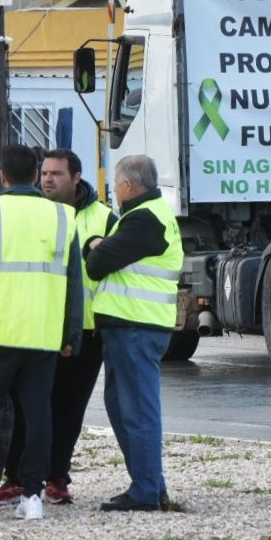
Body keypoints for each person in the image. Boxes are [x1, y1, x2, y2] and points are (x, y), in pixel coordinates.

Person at [0, 143, 83, 524]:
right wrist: (71, 333)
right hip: (41, 335)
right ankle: (33, 496)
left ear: (1, 175)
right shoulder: (62, 217)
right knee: (39, 416)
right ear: (37, 175)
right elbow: (75, 284)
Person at [0, 148, 117, 506]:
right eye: (44, 173)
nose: (47, 179)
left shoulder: (103, 218)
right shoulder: (36, 212)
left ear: (77, 178)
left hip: (86, 329)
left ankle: (57, 477)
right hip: (37, 324)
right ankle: (16, 477)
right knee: (26, 406)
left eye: (56, 174)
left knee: (69, 408)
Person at [84, 153, 184, 513]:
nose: (113, 189)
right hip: (129, 327)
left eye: (115, 183)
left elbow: (97, 265)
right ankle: (150, 484)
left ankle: (145, 490)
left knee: (137, 410)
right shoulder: (144, 216)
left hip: (136, 328)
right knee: (121, 406)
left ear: (127, 185)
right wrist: (99, 243)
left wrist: (92, 245)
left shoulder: (143, 220)